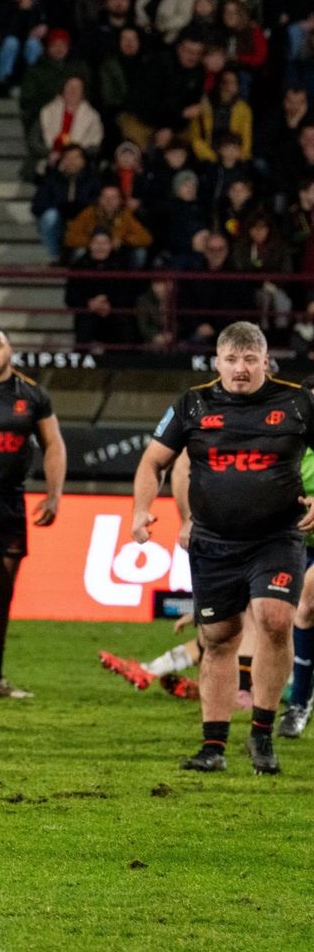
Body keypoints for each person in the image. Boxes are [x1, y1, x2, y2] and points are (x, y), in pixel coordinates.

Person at [132, 322, 314, 775]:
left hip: (277, 537)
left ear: (265, 361)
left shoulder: (297, 403)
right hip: (213, 542)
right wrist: (141, 510)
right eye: (231, 360)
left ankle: (262, 734)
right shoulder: (193, 404)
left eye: (250, 360)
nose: (240, 369)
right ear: (217, 361)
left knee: (275, 620)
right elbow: (154, 461)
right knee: (218, 638)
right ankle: (213, 746)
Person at [0, 328, 66, 699]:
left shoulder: (32, 394)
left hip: (9, 501)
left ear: (10, 350)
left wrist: (53, 495)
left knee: (0, 592)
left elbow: (54, 444)